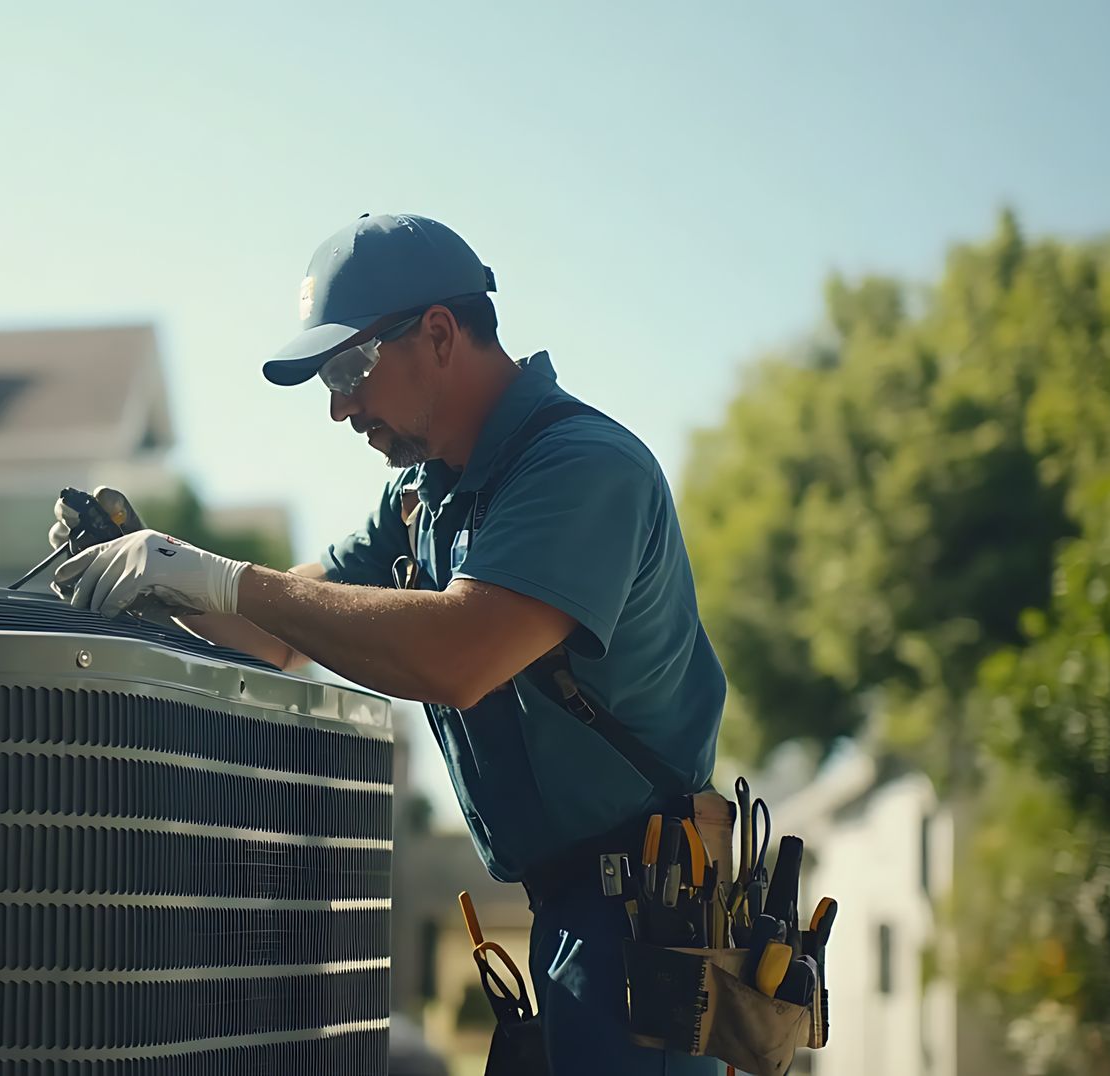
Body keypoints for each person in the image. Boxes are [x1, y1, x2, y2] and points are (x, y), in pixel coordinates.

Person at [50, 213, 727, 1075]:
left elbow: (458, 658)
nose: (339, 406)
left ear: (439, 334)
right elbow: (279, 631)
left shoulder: (584, 468)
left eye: (348, 367)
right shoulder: (420, 498)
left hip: (646, 918)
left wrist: (216, 576)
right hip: (571, 913)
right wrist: (153, 574)